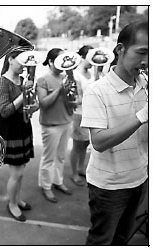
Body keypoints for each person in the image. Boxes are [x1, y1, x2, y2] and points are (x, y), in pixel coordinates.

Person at [81, 21, 148, 245]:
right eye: (142, 53)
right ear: (120, 50)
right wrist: (142, 115)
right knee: (101, 240)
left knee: (122, 239)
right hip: (108, 186)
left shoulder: (145, 83)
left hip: (139, 178)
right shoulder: (96, 91)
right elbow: (99, 142)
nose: (146, 61)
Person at [0, 51, 38, 222]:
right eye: (21, 61)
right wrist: (23, 93)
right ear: (10, 60)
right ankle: (12, 204)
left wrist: (33, 106)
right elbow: (4, 111)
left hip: (23, 127)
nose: (24, 65)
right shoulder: (1, 83)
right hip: (11, 130)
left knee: (21, 170)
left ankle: (17, 200)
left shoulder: (21, 80)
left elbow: (27, 104)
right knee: (16, 173)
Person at [36, 48, 73, 203]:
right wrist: (59, 90)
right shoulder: (43, 80)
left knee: (61, 157)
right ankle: (46, 186)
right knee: (48, 158)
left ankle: (58, 181)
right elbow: (43, 104)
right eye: (59, 59)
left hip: (66, 122)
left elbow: (72, 100)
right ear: (50, 62)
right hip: (51, 125)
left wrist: (71, 95)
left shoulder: (67, 77)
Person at [69, 45, 94, 186]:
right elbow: (75, 98)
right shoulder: (75, 75)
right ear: (83, 57)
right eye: (90, 57)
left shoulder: (92, 73)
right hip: (79, 114)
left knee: (85, 144)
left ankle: (80, 168)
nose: (93, 61)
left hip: (91, 113)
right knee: (77, 145)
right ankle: (73, 173)